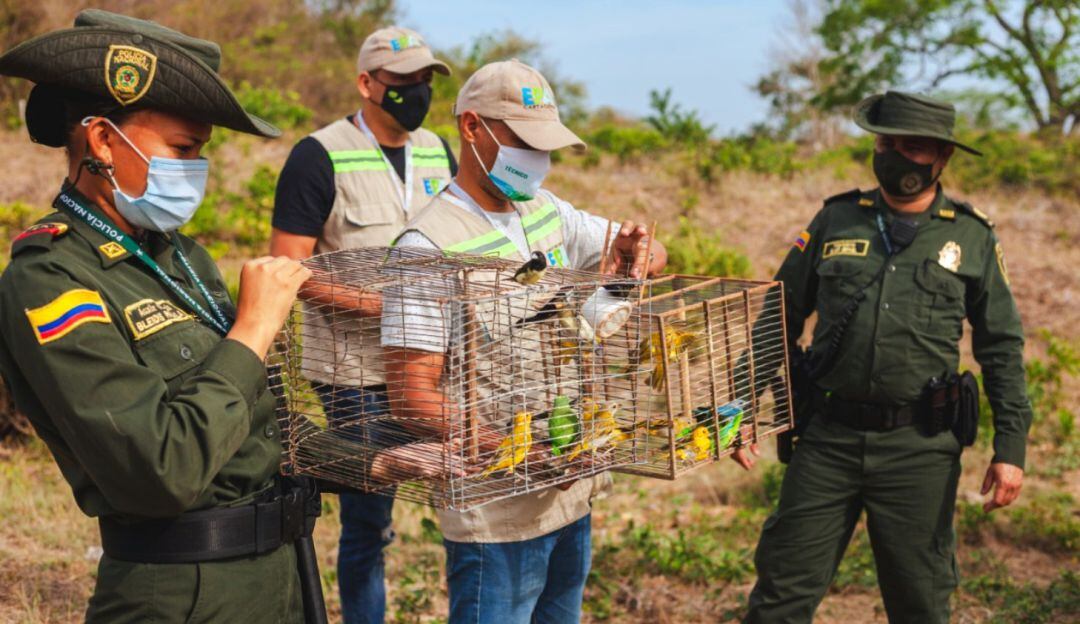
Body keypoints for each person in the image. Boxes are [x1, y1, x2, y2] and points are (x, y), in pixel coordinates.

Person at [0, 10, 314, 623]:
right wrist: (252, 329)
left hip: (277, 578)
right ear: (101, 140)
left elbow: (246, 430)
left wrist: (368, 457)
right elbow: (161, 471)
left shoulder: (179, 255)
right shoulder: (50, 277)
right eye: (182, 149)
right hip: (180, 595)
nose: (196, 169)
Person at [382, 59, 667, 624]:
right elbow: (412, 394)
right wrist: (519, 454)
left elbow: (651, 252)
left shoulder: (545, 210)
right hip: (498, 512)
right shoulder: (427, 245)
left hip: (571, 494)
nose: (538, 159)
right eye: (524, 142)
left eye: (546, 145)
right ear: (471, 127)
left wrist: (632, 258)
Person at [735, 91, 1032, 624]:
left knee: (920, 602)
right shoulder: (835, 220)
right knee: (781, 595)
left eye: (912, 147)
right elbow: (777, 317)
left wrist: (1010, 446)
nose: (894, 155)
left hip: (918, 448)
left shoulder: (971, 236)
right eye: (885, 142)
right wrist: (736, 407)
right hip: (826, 440)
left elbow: (1001, 346)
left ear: (941, 158)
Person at [269, 25, 456, 624]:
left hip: (426, 366)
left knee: (462, 493)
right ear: (366, 84)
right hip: (352, 371)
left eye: (425, 80)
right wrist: (382, 306)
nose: (416, 92)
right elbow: (288, 268)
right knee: (369, 518)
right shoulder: (317, 155)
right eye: (402, 82)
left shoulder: (437, 151)